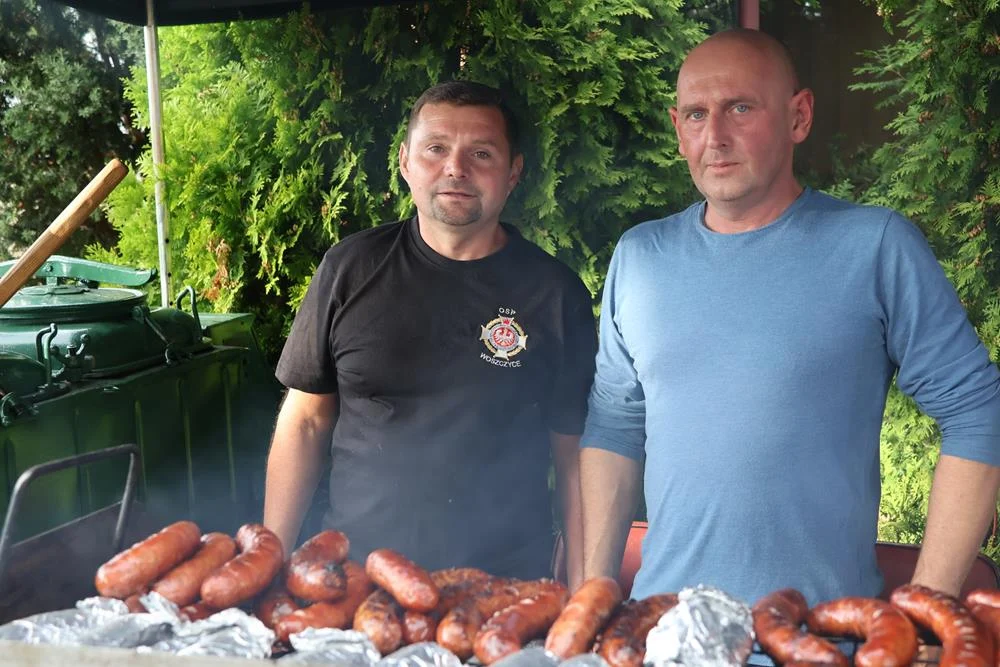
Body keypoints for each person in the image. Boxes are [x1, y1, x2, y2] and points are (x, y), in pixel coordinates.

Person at [580, 28, 1000, 606]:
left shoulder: (874, 247)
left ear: (799, 117)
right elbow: (614, 428)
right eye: (697, 115)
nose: (716, 136)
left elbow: (978, 409)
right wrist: (591, 598)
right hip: (663, 632)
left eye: (741, 108)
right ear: (678, 130)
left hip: (820, 636)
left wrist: (927, 604)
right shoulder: (639, 257)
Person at [264, 81, 597, 585]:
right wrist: (271, 564)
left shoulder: (555, 295)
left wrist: (582, 589)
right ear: (405, 162)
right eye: (436, 148)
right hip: (354, 582)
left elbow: (573, 458)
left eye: (480, 153)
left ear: (514, 173)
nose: (455, 169)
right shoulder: (349, 270)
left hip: (502, 592)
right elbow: (306, 421)